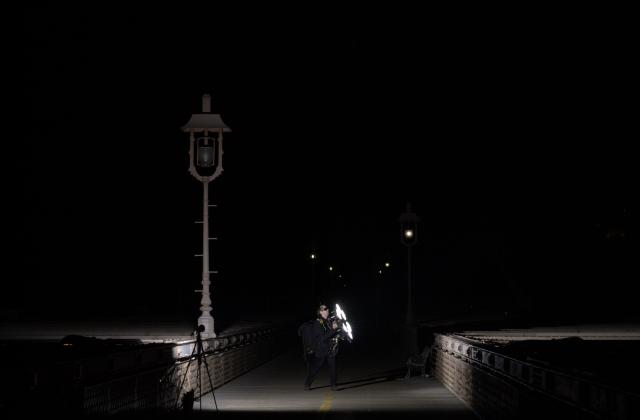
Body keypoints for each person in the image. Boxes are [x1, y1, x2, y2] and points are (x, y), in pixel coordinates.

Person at [303, 304, 340, 391]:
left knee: (333, 366)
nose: (327, 310)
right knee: (316, 367)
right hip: (321, 349)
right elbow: (322, 338)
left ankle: (333, 385)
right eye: (325, 309)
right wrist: (333, 330)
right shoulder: (317, 323)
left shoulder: (328, 321)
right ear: (320, 312)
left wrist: (337, 330)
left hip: (330, 348)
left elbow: (333, 333)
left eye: (327, 308)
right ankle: (307, 383)